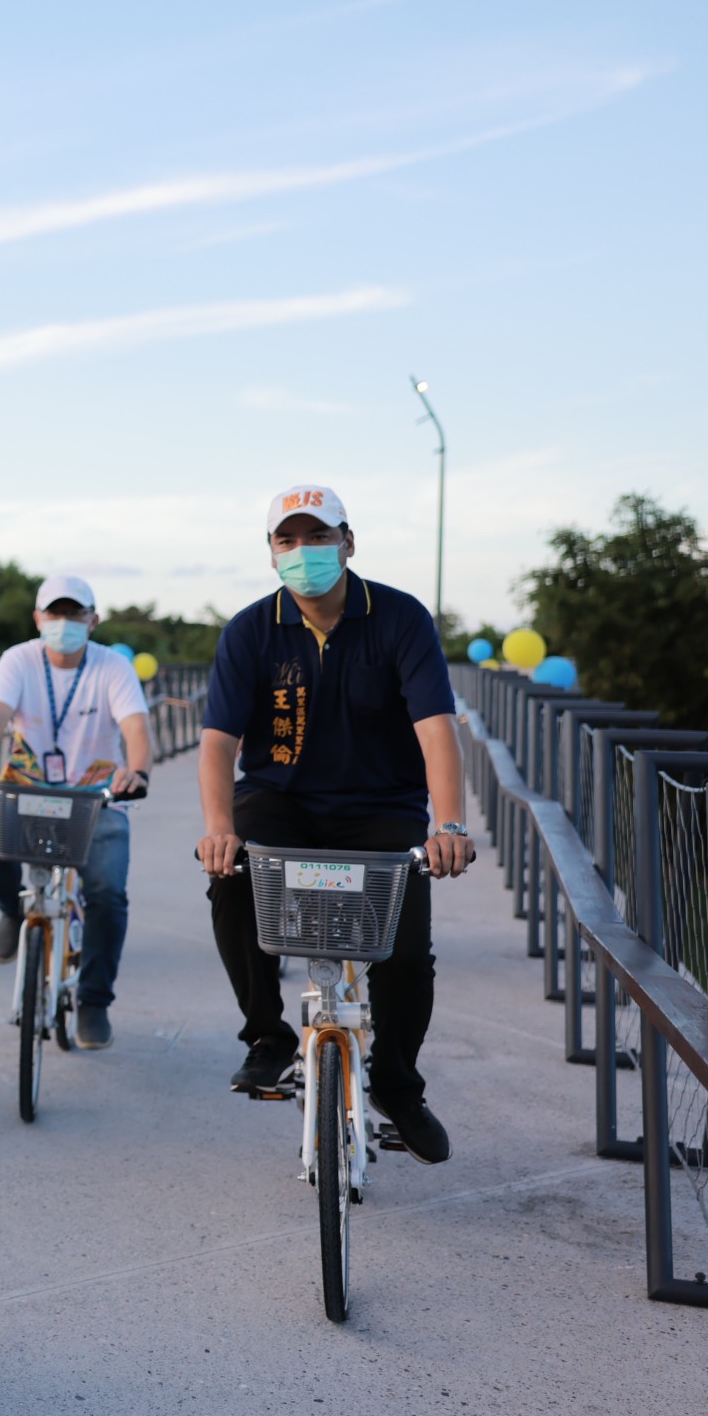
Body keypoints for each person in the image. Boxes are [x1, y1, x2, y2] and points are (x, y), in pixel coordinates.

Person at [197, 485, 475, 1163]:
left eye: (317, 537)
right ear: (271, 554)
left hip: (382, 807)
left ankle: (398, 1087)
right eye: (287, 540)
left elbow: (437, 728)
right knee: (232, 879)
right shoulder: (250, 631)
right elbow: (217, 741)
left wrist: (451, 825)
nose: (303, 553)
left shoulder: (400, 619)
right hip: (281, 802)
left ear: (348, 542)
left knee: (405, 952)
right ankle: (269, 1036)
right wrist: (217, 826)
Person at [0, 575, 150, 1049]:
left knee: (106, 891)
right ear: (38, 619)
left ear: (93, 619)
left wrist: (137, 771)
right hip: (27, 790)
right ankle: (11, 912)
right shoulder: (19, 659)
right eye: (54, 613)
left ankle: (94, 999)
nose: (64, 623)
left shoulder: (112, 667)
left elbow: (136, 727)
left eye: (74, 613)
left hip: (95, 795)